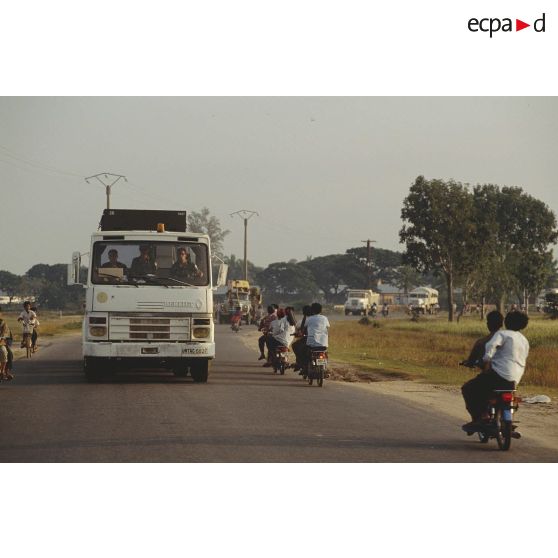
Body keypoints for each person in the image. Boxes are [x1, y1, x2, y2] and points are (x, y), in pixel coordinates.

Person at [461, 311, 530, 433]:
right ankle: (507, 418)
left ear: (506, 322)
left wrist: (486, 359)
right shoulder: (524, 340)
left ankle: (481, 418)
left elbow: (491, 347)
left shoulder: (501, 335)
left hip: (498, 375)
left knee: (468, 388)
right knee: (510, 395)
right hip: (515, 377)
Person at [303, 302, 330, 367]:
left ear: (312, 310)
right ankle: (325, 366)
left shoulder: (309, 319)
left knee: (306, 353)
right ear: (321, 310)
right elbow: (327, 327)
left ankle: (307, 366)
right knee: (325, 353)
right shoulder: (324, 318)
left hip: (311, 343)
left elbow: (304, 327)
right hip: (323, 343)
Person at [292, 305, 311, 372]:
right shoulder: (321, 318)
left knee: (295, 346)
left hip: (307, 339)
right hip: (321, 341)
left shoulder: (306, 319)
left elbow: (299, 328)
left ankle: (300, 362)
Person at [0, 308, 14, 380]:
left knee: (7, 353)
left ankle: (5, 371)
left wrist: (2, 339)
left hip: (1, 343)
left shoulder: (3, 324)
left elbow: (4, 335)